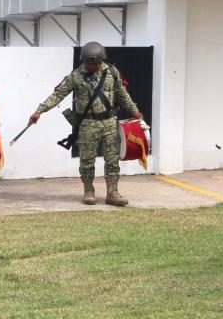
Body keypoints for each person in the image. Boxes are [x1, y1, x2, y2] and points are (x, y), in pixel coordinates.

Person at [28, 41, 143, 206]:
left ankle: (112, 193)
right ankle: (89, 191)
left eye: (94, 64)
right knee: (87, 161)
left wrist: (134, 110)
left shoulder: (111, 72)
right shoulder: (76, 76)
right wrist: (40, 111)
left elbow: (122, 94)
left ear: (100, 61)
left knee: (112, 160)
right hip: (87, 124)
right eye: (87, 63)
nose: (90, 66)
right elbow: (58, 95)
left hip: (110, 122)